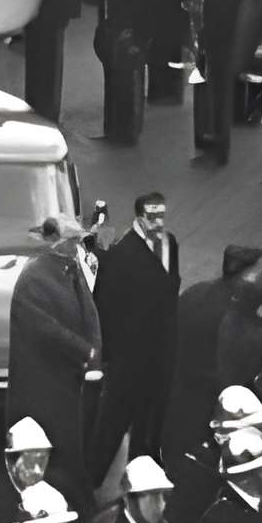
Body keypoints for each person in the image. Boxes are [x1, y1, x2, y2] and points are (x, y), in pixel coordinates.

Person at [7, 215, 105, 501]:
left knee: (67, 437)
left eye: (78, 241)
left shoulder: (68, 266)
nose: (76, 247)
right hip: (42, 379)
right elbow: (45, 327)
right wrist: (83, 349)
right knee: (49, 438)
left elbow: (88, 310)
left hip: (66, 376)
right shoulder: (34, 275)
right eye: (71, 241)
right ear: (55, 242)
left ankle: (73, 491)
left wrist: (95, 352)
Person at [93, 195, 183, 475]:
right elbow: (106, 306)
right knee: (114, 419)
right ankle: (92, 477)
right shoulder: (123, 253)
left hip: (161, 354)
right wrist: (110, 354)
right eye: (152, 215)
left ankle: (143, 472)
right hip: (129, 357)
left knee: (151, 420)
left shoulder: (170, 245)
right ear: (139, 216)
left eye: (161, 215)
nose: (158, 222)